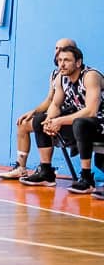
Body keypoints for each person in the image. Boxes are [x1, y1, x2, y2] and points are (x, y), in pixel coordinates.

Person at [20, 45, 104, 195]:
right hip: (83, 124)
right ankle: (46, 172)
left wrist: (59, 121)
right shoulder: (61, 77)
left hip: (99, 122)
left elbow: (91, 111)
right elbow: (56, 104)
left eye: (66, 60)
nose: (62, 64)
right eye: (59, 60)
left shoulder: (90, 76)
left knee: (80, 123)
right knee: (40, 120)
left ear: (78, 63)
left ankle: (86, 179)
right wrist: (49, 122)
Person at [0, 38, 77, 180]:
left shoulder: (79, 73)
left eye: (63, 48)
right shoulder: (55, 74)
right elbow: (50, 100)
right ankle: (20, 168)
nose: (58, 51)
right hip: (55, 113)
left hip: (69, 116)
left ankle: (45, 168)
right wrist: (34, 111)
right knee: (23, 124)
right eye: (56, 48)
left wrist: (49, 118)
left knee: (40, 121)